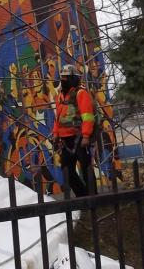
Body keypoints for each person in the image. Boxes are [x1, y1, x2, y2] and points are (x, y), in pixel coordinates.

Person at [53, 64, 95, 197]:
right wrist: (56, 134)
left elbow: (87, 116)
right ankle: (83, 197)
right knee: (67, 170)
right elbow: (58, 118)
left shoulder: (81, 93)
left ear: (73, 78)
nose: (63, 80)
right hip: (65, 140)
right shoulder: (60, 96)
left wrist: (86, 135)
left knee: (86, 168)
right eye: (62, 77)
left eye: (66, 77)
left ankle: (94, 197)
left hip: (79, 138)